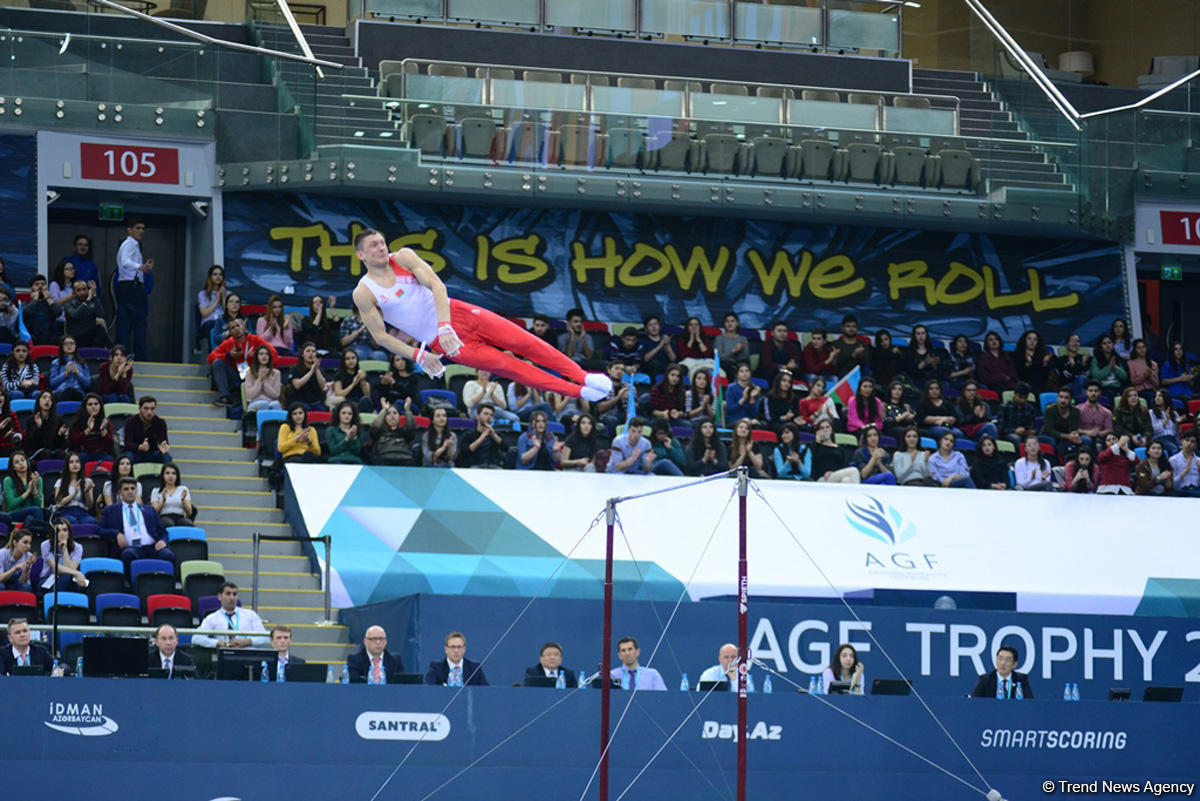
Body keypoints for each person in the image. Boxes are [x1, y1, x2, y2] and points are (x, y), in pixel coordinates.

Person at [351, 238, 619, 400]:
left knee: (526, 342)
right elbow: (381, 337)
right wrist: (419, 356)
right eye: (373, 245)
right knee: (509, 366)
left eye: (382, 242)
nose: (381, 247)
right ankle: (577, 392)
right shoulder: (364, 293)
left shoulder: (404, 257)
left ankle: (583, 377)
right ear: (360, 254)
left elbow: (437, 285)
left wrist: (445, 325)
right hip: (444, 343)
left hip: (460, 315)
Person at [98, 476, 173, 571]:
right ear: (120, 492)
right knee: (128, 555)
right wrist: (116, 534)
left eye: (132, 489)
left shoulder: (149, 509)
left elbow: (163, 532)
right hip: (131, 547)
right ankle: (131, 584)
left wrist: (163, 541)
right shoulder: (111, 511)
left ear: (136, 491)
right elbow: (100, 530)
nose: (130, 491)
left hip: (152, 547)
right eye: (126, 489)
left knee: (168, 555)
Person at [207, 318, 279, 408]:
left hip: (254, 374)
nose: (236, 329)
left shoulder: (255, 339)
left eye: (238, 326)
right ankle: (224, 397)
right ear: (229, 332)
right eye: (232, 328)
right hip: (236, 373)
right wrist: (229, 356)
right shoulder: (228, 343)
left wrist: (259, 362)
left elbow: (273, 353)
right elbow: (210, 357)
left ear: (243, 327)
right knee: (218, 363)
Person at [115, 219, 153, 358]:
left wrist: (143, 269)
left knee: (127, 323)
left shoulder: (134, 245)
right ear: (129, 230)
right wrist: (140, 267)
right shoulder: (129, 244)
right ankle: (139, 356)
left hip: (129, 286)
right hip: (131, 288)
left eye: (143, 228)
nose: (141, 231)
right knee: (137, 324)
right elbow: (125, 261)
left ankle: (122, 355)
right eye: (138, 228)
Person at [193, 581, 268, 648]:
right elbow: (196, 638)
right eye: (228, 594)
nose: (232, 598)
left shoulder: (250, 615)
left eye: (234, 594)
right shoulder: (212, 618)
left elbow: (265, 638)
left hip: (248, 654)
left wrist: (247, 642)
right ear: (219, 596)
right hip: (225, 655)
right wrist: (218, 643)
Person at [608, 416, 680, 475]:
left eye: (639, 432)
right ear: (628, 430)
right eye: (633, 431)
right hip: (615, 472)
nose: (636, 435)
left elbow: (647, 470)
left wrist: (648, 462)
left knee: (652, 476)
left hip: (633, 472)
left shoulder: (646, 443)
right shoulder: (617, 441)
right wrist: (632, 458)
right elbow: (617, 467)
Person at [425, 630, 489, 686]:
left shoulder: (474, 668)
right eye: (452, 647)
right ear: (446, 649)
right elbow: (429, 689)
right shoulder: (436, 667)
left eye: (459, 647)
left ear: (464, 649)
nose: (456, 650)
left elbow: (485, 691)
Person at [39, 518, 88, 591]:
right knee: (67, 577)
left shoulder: (78, 547)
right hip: (48, 579)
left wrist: (65, 549)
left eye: (65, 530)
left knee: (81, 585)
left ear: (69, 533)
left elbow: (71, 570)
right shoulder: (45, 545)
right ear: (53, 533)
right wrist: (78, 573)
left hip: (68, 579)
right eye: (58, 531)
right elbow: (56, 568)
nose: (62, 533)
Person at [1041, 386, 1086, 461]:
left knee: (1085, 440)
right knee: (1053, 441)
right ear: (1057, 398)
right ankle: (1055, 462)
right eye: (1061, 397)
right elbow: (1049, 430)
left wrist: (1075, 435)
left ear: (1071, 400)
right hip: (1049, 435)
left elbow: (1074, 428)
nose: (1063, 400)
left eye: (1066, 398)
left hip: (1068, 435)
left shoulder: (1075, 411)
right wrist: (1067, 436)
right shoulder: (1050, 410)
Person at [3, 452, 46, 531]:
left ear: (27, 462)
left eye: (22, 460)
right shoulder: (8, 480)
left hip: (32, 513)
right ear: (13, 467)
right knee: (35, 510)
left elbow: (38, 504)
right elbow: (11, 504)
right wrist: (28, 491)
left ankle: (31, 540)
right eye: (17, 462)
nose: (21, 463)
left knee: (29, 518)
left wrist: (35, 488)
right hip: (14, 514)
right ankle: (40, 536)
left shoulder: (37, 479)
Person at [124, 395, 172, 464]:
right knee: (128, 457)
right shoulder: (130, 422)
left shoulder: (160, 422)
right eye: (146, 408)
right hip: (136, 453)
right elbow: (127, 444)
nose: (149, 412)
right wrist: (140, 447)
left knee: (166, 456)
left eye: (152, 409)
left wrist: (163, 447)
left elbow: (163, 441)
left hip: (153, 453)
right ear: (140, 409)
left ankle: (169, 474)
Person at [368, 401, 418, 467]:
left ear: (399, 416)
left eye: (395, 413)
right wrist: (384, 410)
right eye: (388, 413)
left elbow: (411, 428)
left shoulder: (404, 432)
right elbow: (375, 427)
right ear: (384, 417)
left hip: (404, 459)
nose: (392, 415)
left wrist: (407, 410)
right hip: (384, 458)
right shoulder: (379, 432)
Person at [51, 452, 96, 525]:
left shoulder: (88, 481)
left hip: (83, 511)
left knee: (91, 521)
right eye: (71, 462)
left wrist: (87, 491)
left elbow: (90, 505)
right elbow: (59, 503)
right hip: (66, 511)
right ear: (67, 465)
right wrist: (73, 494)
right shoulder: (60, 482)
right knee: (72, 521)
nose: (75, 464)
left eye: (77, 462)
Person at [68, 393, 115, 463]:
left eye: (96, 404)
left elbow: (110, 445)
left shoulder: (105, 422)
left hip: (101, 453)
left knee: (110, 461)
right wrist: (88, 430)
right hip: (83, 453)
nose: (93, 407)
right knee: (80, 458)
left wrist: (103, 431)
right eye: (90, 404)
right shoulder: (77, 422)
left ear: (100, 406)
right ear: (85, 407)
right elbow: (74, 443)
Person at [63, 280, 109, 348]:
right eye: (78, 290)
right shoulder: (68, 305)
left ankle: (110, 354)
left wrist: (95, 297)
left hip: (91, 337)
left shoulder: (92, 303)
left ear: (88, 290)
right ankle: (114, 351)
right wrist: (87, 300)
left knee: (98, 339)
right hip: (76, 338)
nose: (82, 292)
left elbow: (101, 315)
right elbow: (75, 315)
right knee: (99, 328)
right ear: (74, 293)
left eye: (84, 289)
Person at [328, 348, 375, 413]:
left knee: (365, 401)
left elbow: (367, 395)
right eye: (347, 359)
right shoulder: (339, 375)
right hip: (346, 403)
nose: (351, 361)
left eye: (353, 358)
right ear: (343, 361)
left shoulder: (361, 373)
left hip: (361, 402)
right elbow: (339, 394)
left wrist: (363, 381)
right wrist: (353, 384)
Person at [812, 418, 858, 483]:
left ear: (832, 430)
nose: (825, 430)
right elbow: (814, 462)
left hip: (836, 475)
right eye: (822, 428)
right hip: (822, 478)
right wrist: (817, 441)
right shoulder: (816, 446)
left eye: (827, 427)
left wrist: (833, 472)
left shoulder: (840, 448)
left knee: (846, 480)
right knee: (854, 470)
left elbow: (843, 466)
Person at [24, 390, 67, 460]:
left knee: (61, 454)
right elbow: (30, 445)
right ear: (38, 401)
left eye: (50, 399)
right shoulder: (31, 420)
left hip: (52, 452)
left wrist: (60, 435)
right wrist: (38, 427)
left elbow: (61, 446)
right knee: (46, 453)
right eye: (44, 397)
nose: (47, 400)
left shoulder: (58, 420)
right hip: (36, 453)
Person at [459, 403, 503, 468]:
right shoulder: (468, 435)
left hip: (493, 467)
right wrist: (481, 438)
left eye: (491, 415)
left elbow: (506, 449)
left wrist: (494, 435)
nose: (489, 417)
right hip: (474, 466)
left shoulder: (497, 435)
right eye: (486, 414)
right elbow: (464, 453)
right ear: (477, 416)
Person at [287, 342, 329, 411]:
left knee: (322, 410)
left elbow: (323, 387)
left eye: (313, 351)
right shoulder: (295, 369)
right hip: (299, 400)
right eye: (308, 351)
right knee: (306, 409)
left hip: (315, 401)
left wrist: (316, 369)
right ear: (302, 354)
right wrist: (311, 372)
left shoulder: (319, 370)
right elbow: (297, 385)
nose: (311, 353)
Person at [150, 463, 194, 527]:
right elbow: (154, 512)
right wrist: (163, 501)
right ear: (163, 475)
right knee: (168, 523)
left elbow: (189, 513)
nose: (170, 476)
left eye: (173, 473)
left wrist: (183, 500)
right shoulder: (156, 491)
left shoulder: (183, 489)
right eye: (167, 473)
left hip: (180, 517)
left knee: (188, 524)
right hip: (164, 517)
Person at [49, 335, 90, 401]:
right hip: (61, 392)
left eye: (71, 343)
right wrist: (65, 374)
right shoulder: (56, 363)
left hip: (78, 392)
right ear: (62, 347)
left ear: (75, 346)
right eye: (66, 344)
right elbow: (52, 383)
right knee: (68, 391)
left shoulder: (82, 362)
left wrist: (78, 373)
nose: (69, 346)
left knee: (74, 392)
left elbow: (87, 384)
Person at [244, 345, 283, 413]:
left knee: (276, 405)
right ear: (257, 357)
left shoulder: (276, 373)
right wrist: (259, 378)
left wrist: (264, 380)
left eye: (266, 354)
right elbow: (250, 395)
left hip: (271, 402)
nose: (264, 356)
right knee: (263, 404)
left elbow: (276, 395)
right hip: (255, 402)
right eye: (261, 354)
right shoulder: (249, 372)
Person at [196, 265, 227, 345]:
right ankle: (214, 354)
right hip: (209, 323)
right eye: (215, 274)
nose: (218, 277)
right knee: (215, 326)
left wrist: (223, 298)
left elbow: (229, 313)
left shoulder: (228, 293)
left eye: (220, 275)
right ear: (210, 277)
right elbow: (205, 314)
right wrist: (217, 299)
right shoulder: (203, 294)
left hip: (223, 323)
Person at [23, 274, 58, 344]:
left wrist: (48, 298)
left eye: (43, 284)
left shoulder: (50, 303)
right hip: (32, 338)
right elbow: (25, 313)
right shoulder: (26, 304)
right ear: (31, 288)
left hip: (50, 338)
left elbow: (59, 312)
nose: (40, 286)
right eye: (37, 284)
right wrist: (35, 300)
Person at [714, 312, 750, 377]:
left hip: (739, 365)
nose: (730, 324)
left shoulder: (742, 339)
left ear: (737, 323)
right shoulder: (719, 338)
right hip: (723, 366)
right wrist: (733, 351)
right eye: (727, 321)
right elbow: (719, 357)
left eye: (732, 321)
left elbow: (745, 357)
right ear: (724, 324)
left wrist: (738, 351)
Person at [1149, 388, 1184, 456]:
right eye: (1156, 396)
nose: (1157, 398)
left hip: (1173, 437)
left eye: (1160, 396)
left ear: (1166, 398)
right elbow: (1153, 430)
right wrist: (1166, 420)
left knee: (1184, 448)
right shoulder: (1151, 412)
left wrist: (1177, 423)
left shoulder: (1174, 413)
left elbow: (1177, 433)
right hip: (1160, 438)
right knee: (1174, 449)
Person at [1169, 431, 1200, 497]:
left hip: (1196, 489)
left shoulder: (1198, 460)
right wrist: (1185, 472)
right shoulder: (1174, 460)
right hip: (1181, 490)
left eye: (1192, 441)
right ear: (1182, 441)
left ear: (1196, 444)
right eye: (1187, 440)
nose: (1189, 443)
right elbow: (1171, 484)